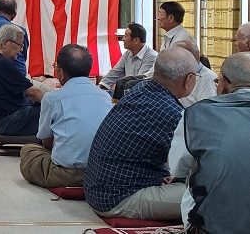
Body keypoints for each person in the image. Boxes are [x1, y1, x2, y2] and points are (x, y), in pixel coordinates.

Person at [84, 47, 198, 220]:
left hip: (98, 188)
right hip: (118, 198)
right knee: (207, 194)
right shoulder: (171, 112)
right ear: (189, 79)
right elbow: (190, 163)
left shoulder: (140, 89)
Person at [169, 52, 250, 231]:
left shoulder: (196, 114)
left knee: (193, 178)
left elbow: (177, 168)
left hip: (215, 226)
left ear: (225, 82)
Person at [20, 44, 112, 187]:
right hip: (101, 172)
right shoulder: (105, 97)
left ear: (61, 72)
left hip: (67, 173)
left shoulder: (52, 98)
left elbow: (46, 142)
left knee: (28, 150)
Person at [0, 24, 43, 136]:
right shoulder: (1, 64)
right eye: (20, 45)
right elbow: (34, 92)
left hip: (1, 119)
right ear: (5, 43)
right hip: (6, 122)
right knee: (54, 113)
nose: (21, 49)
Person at [99, 23, 157, 90]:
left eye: (125, 36)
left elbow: (140, 82)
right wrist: (100, 87)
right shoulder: (128, 53)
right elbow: (115, 72)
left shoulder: (151, 57)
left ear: (136, 40)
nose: (123, 39)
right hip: (128, 92)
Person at [173, 40, 216, 108]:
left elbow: (206, 109)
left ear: (191, 57)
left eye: (176, 57)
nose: (174, 61)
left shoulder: (207, 78)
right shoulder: (179, 72)